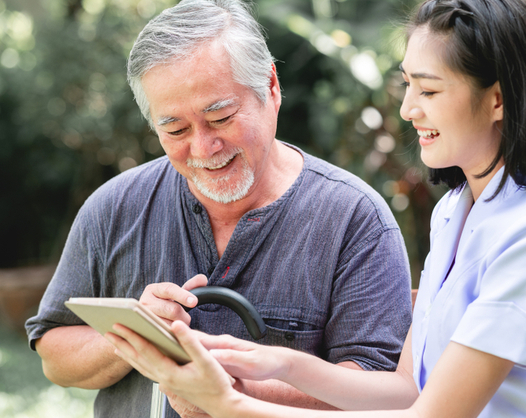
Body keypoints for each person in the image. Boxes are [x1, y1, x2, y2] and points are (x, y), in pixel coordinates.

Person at [106, 0, 526, 417]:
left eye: (429, 89)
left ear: (498, 99)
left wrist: (231, 405)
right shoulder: (458, 211)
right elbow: (408, 388)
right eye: (408, 84)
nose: (408, 108)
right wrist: (272, 363)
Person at [24, 0, 413, 417]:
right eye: (175, 129)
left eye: (221, 117)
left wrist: (232, 393)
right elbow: (54, 353)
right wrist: (134, 335)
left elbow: (384, 392)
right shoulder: (113, 207)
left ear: (271, 88)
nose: (204, 148)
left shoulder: (355, 220)